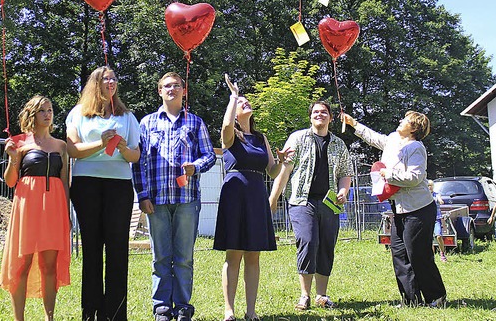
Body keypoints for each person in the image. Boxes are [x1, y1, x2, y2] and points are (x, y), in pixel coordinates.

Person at [132, 72, 216, 321]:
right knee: (160, 257)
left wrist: (195, 167)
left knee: (184, 257)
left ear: (184, 90)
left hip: (187, 199)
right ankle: (161, 307)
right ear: (159, 91)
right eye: (167, 86)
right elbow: (138, 164)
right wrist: (142, 195)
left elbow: (209, 155)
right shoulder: (146, 123)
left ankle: (182, 306)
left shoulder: (195, 122)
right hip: (155, 200)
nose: (172, 89)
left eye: (176, 86)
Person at [341, 111, 446, 307]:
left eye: (405, 120)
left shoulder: (416, 147)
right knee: (399, 253)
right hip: (399, 209)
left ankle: (436, 298)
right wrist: (353, 123)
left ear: (414, 128)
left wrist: (387, 174)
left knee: (418, 254)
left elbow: (415, 177)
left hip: (419, 209)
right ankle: (411, 300)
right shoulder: (392, 140)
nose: (400, 120)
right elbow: (374, 138)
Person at [66, 66, 141, 321]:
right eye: (105, 78)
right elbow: (73, 150)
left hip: (119, 186)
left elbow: (135, 155)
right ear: (95, 84)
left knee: (118, 250)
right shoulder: (78, 114)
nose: (111, 82)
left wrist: (121, 147)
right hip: (86, 184)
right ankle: (91, 313)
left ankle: (117, 315)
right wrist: (101, 142)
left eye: (114, 78)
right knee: (92, 250)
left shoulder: (127, 116)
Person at [269, 101, 353, 311]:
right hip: (301, 201)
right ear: (310, 116)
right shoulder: (297, 139)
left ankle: (321, 295)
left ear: (331, 118)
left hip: (330, 203)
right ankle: (304, 295)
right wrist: (272, 200)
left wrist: (343, 191)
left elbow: (345, 173)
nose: (320, 115)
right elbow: (284, 172)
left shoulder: (338, 144)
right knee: (308, 241)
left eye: (324, 112)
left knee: (326, 246)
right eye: (316, 112)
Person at [214, 74, 284, 321]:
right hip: (234, 194)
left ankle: (251, 312)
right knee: (233, 254)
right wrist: (233, 97)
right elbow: (224, 128)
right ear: (233, 112)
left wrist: (283, 162)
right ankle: (229, 310)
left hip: (256, 195)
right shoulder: (230, 136)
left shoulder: (260, 137)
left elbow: (272, 170)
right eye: (240, 102)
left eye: (245, 101)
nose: (245, 103)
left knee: (253, 255)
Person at [0, 95, 70, 321]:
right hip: (27, 207)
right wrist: (12, 159)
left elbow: (64, 181)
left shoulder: (61, 146)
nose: (48, 114)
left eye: (50, 110)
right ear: (33, 114)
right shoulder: (20, 143)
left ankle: (50, 317)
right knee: (22, 263)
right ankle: (19, 318)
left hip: (54, 208)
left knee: (49, 266)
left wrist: (67, 214)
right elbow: (11, 181)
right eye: (42, 111)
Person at [428, 179, 447, 262]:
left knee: (438, 236)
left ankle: (442, 254)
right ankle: (431, 257)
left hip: (436, 219)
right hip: (427, 219)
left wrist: (440, 201)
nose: (429, 187)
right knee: (429, 239)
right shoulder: (424, 196)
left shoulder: (436, 194)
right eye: (428, 185)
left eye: (430, 185)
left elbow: (439, 199)